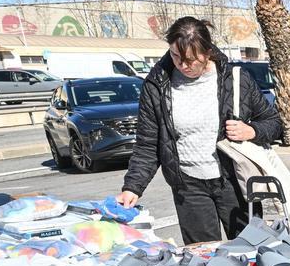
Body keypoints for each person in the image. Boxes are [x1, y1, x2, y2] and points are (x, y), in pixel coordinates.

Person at [119, 16, 281, 244]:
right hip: (188, 185)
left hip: (235, 181)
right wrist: (132, 187)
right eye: (175, 56)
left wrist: (251, 131)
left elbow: (273, 122)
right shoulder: (156, 85)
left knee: (255, 249)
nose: (182, 65)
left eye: (191, 60)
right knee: (203, 257)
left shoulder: (235, 80)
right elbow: (147, 143)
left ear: (207, 52)